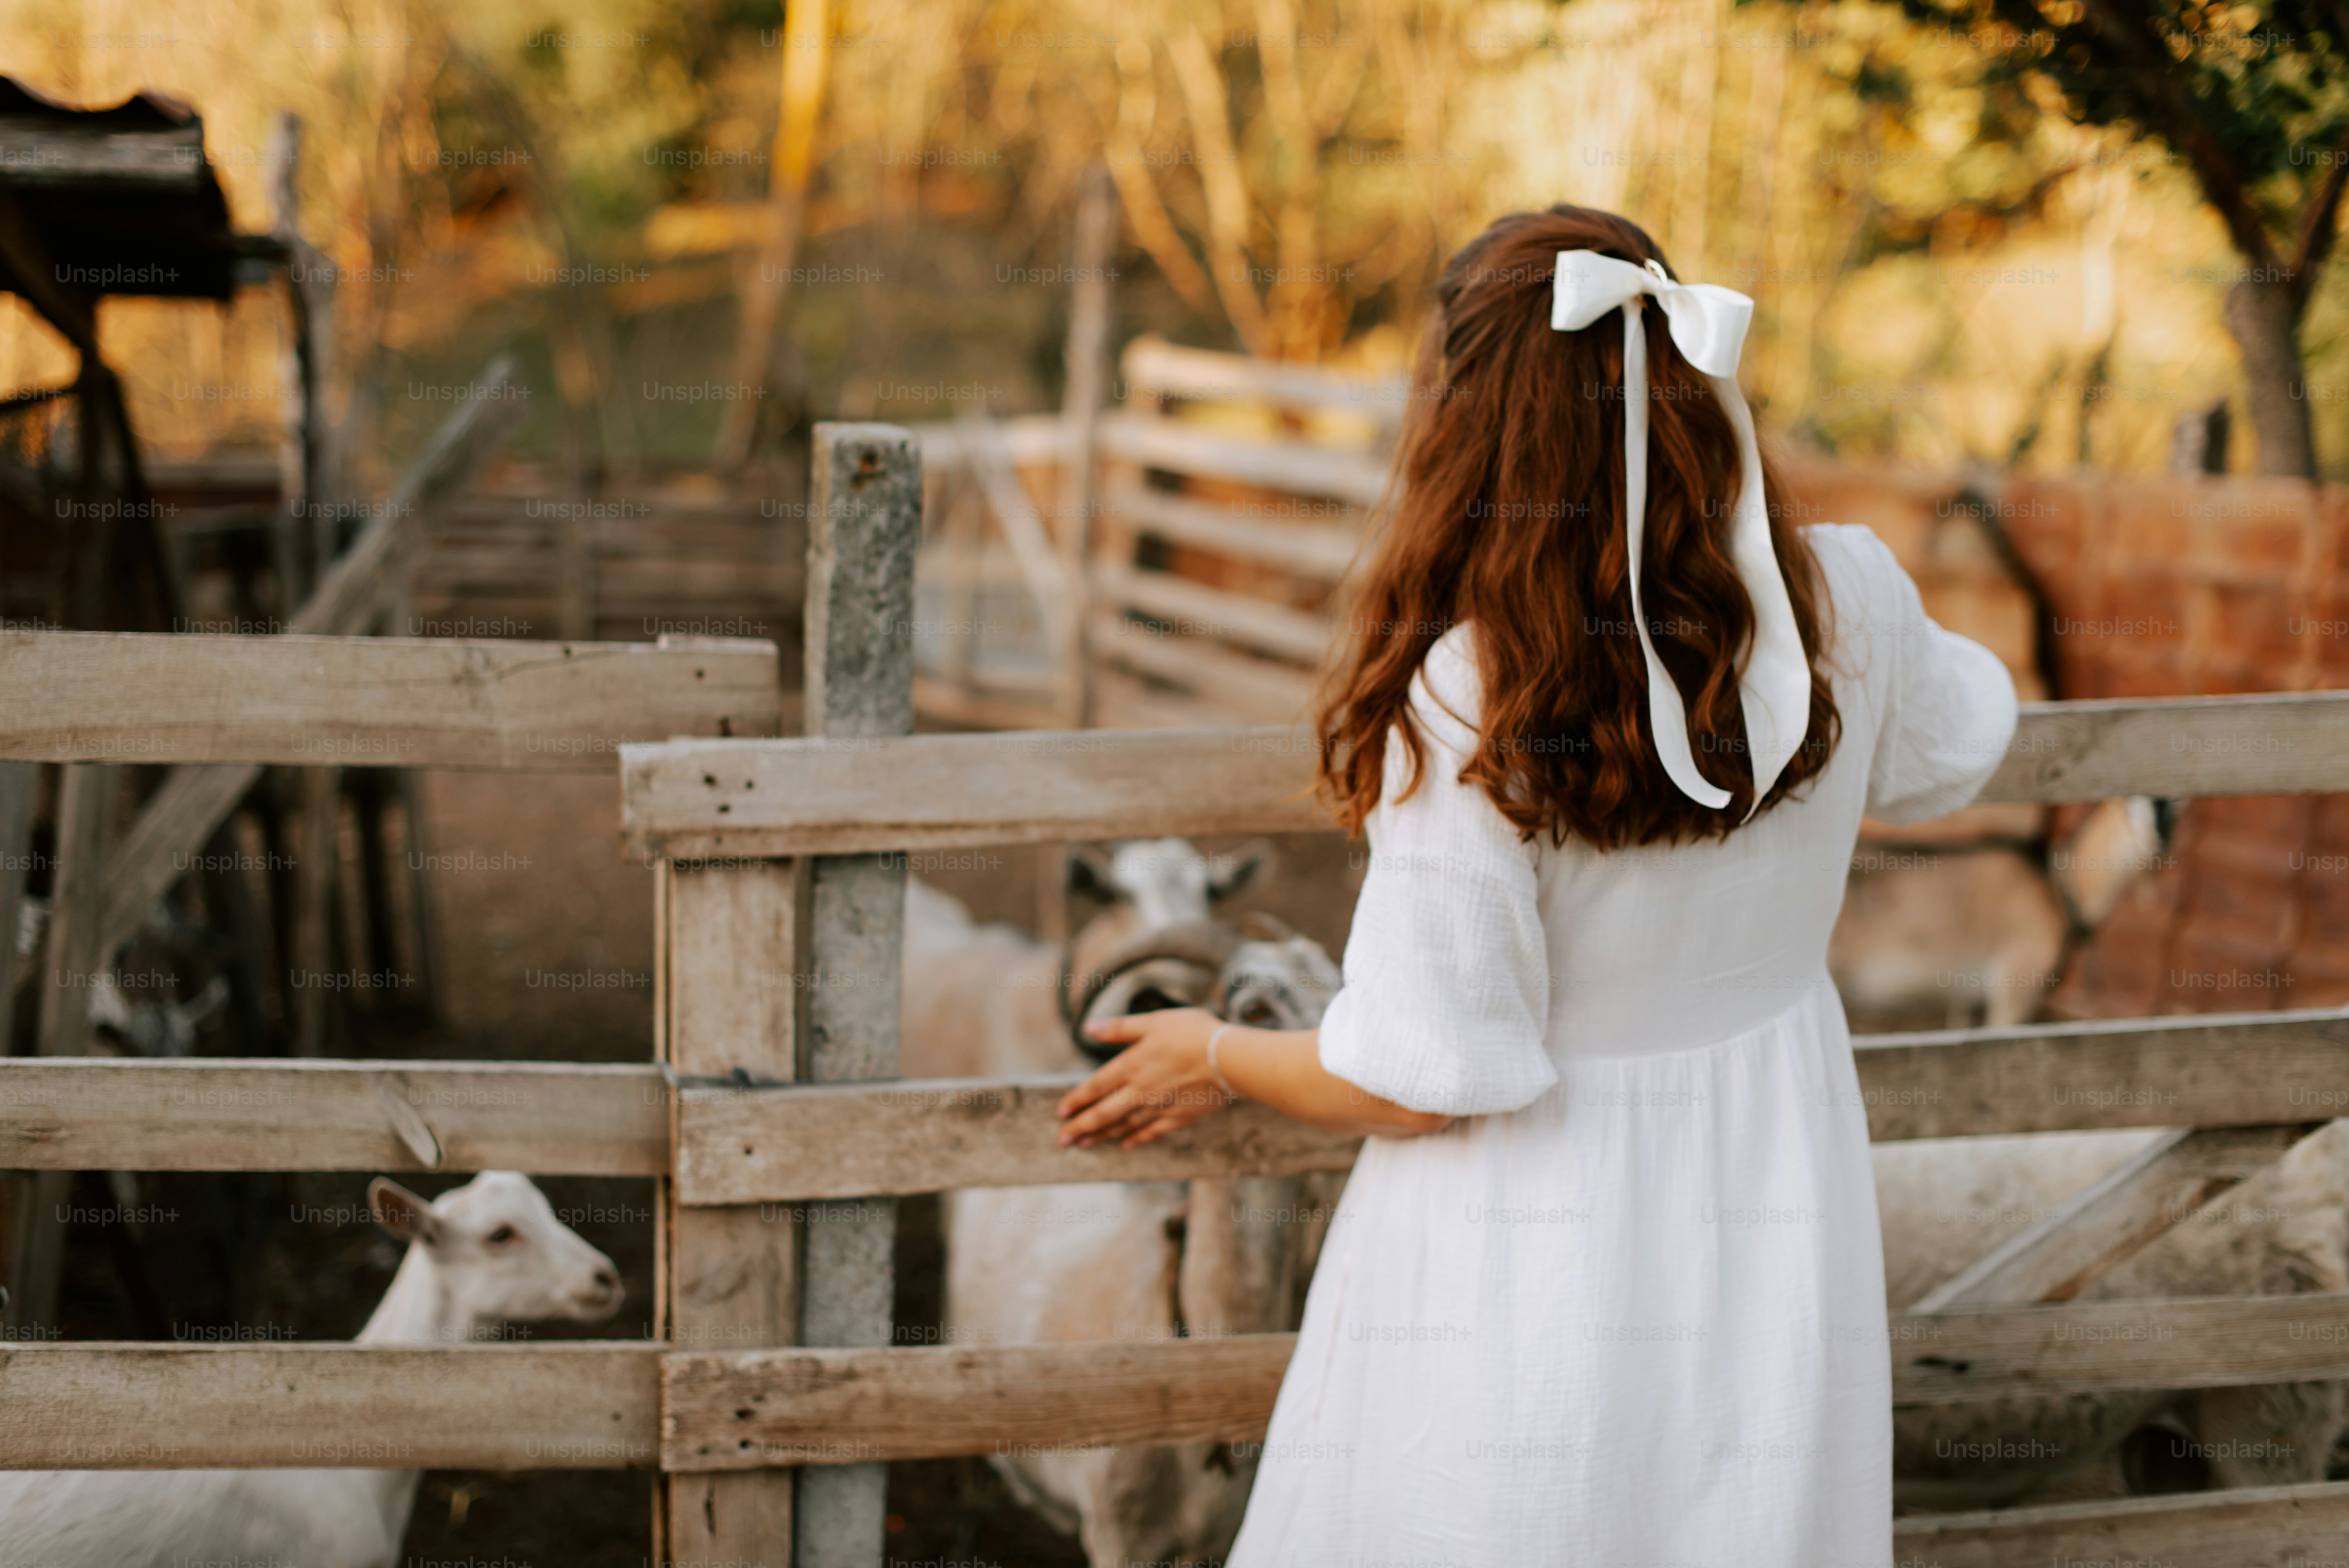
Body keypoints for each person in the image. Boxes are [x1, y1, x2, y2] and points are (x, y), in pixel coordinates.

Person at [1055, 204, 2018, 1566]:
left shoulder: (1470, 693)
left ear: (1470, 432)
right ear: (1688, 384)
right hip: (1772, 1205)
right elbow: (1955, 749)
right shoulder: (1846, 599)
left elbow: (1420, 1079)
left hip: (1534, 1243)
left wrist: (1216, 1051)